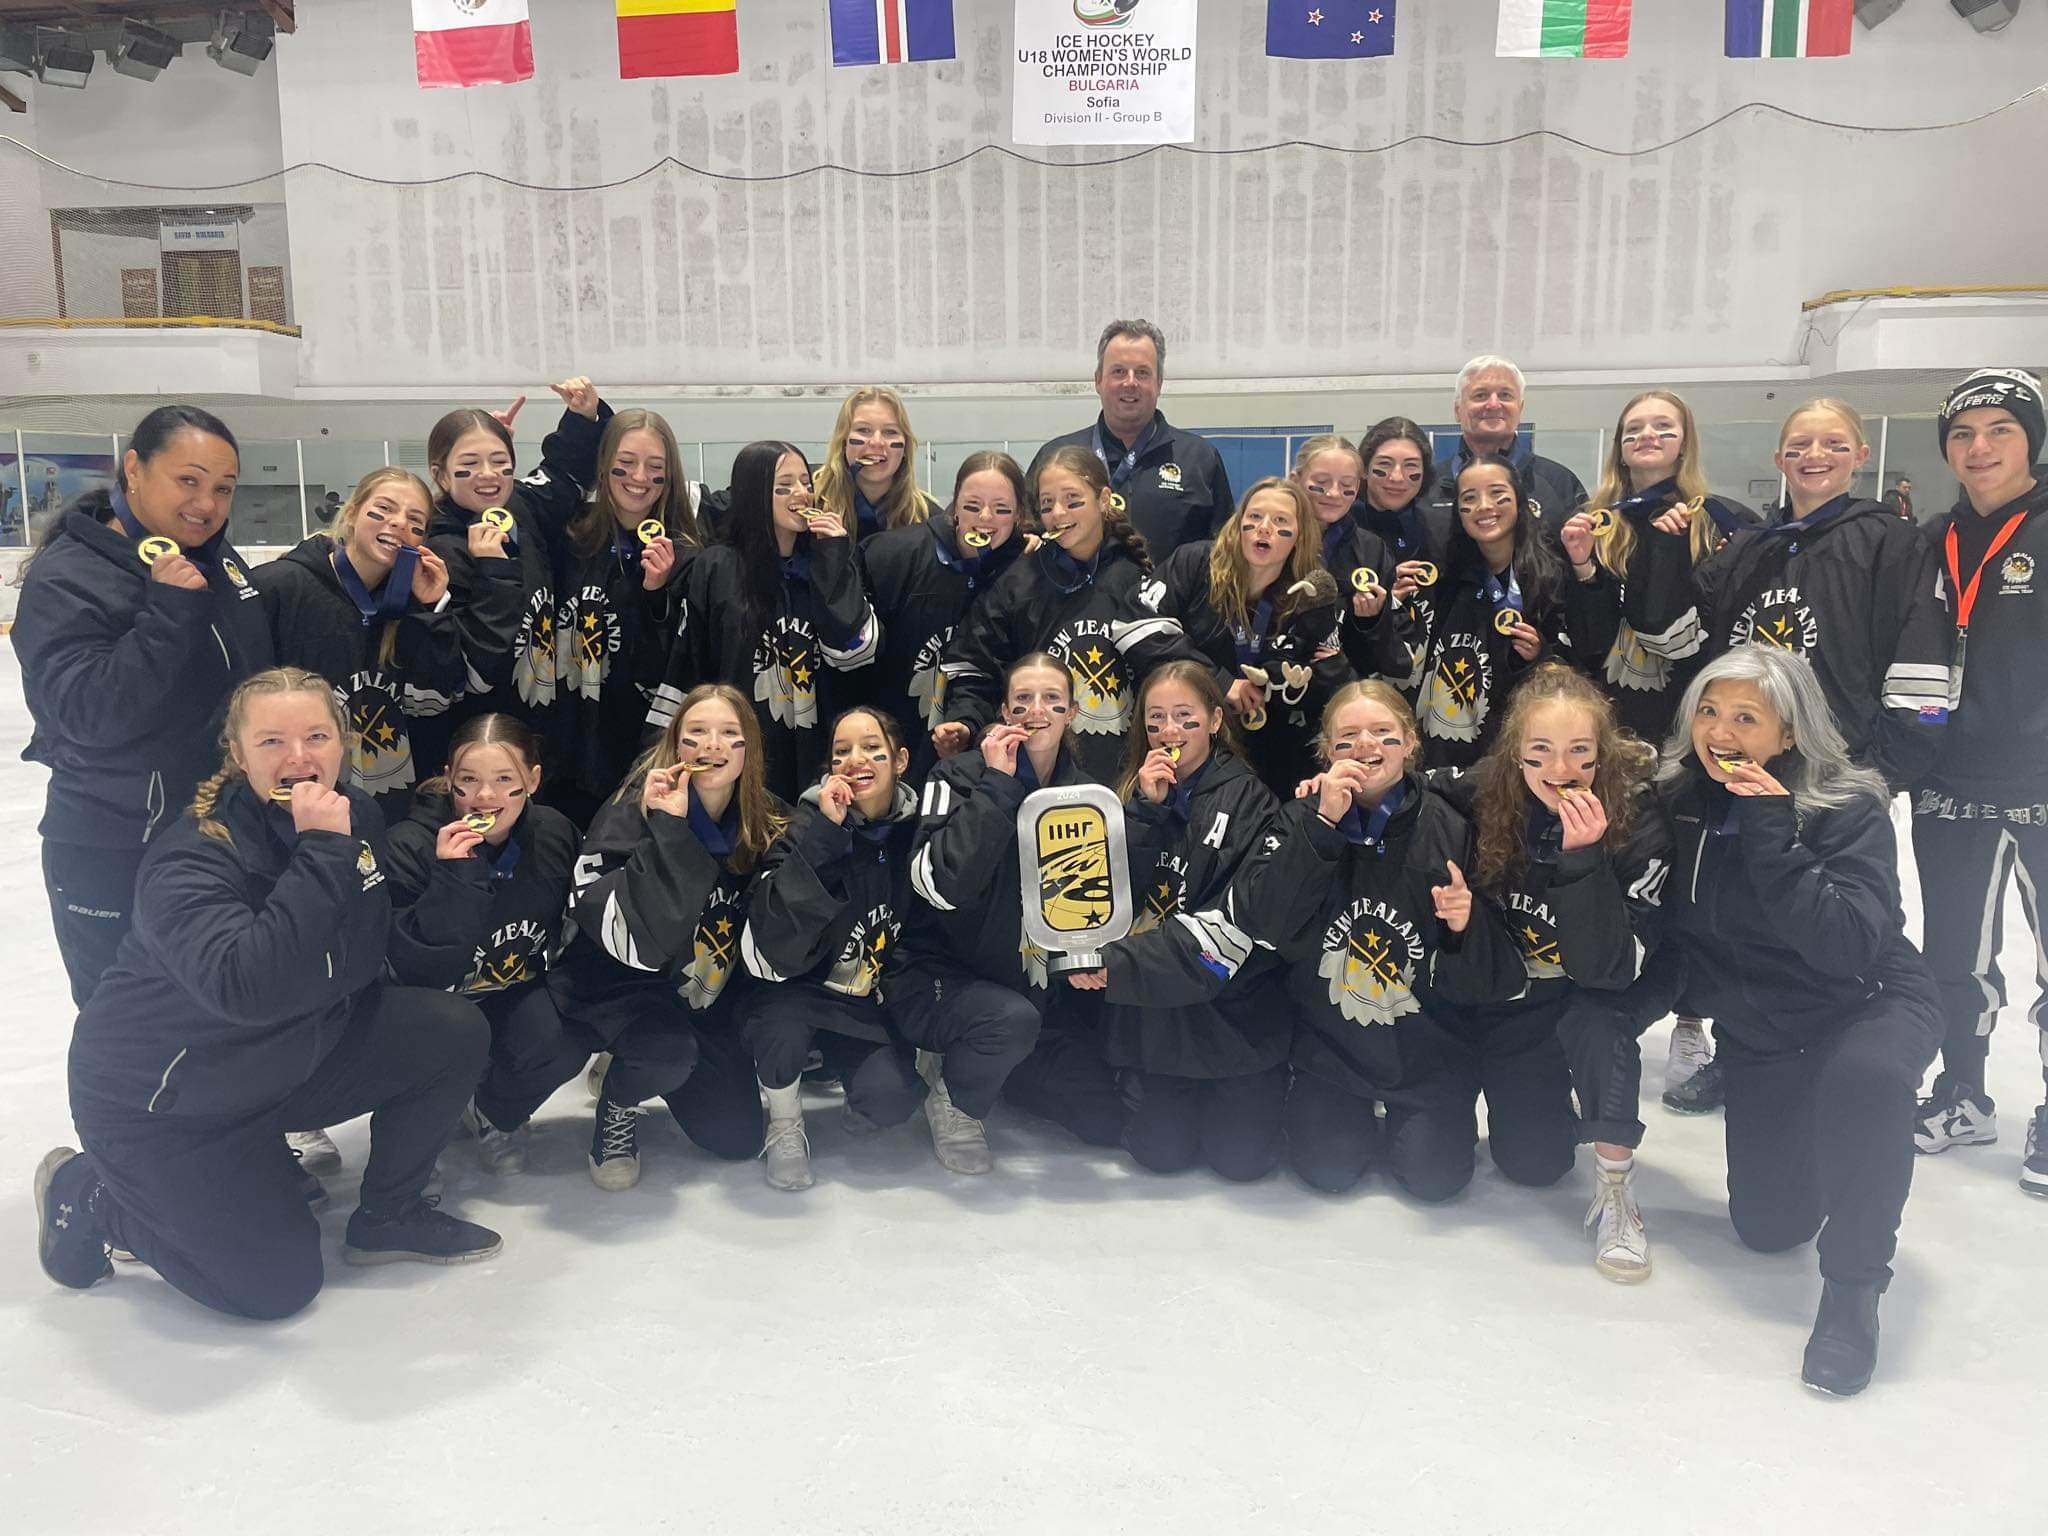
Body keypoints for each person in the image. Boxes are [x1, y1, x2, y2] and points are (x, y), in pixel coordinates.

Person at [36, 669, 501, 1321]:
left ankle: (390, 1216)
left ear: (342, 743)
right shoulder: (193, 858)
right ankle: (89, 1195)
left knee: (449, 1029)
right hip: (170, 1105)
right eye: (272, 742)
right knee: (272, 1286)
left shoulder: (354, 816)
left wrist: (455, 890)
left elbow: (374, 950)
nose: (299, 758)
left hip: (278, 1062)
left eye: (316, 736)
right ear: (238, 754)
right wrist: (320, 850)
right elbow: (248, 987)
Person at [1625, 646, 1940, 1394]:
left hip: (1867, 1004)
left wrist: (1771, 828)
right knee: (1768, 1231)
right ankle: (1831, 1144)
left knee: (1867, 1087)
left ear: (1789, 733)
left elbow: (1845, 945)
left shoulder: (1846, 805)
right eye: (1708, 710)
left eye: (1744, 716)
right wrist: (1614, 1017)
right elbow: (1682, 941)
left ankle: (1854, 1293)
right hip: (1766, 1034)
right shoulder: (1681, 800)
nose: (1719, 730)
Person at [14, 405, 275, 1007]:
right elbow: (87, 714)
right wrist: (169, 612)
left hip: (207, 829)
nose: (206, 504)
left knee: (206, 1008)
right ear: (134, 469)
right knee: (125, 1018)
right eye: (188, 480)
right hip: (114, 844)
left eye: (223, 488)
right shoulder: (70, 577)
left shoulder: (211, 558)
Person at [1231, 680, 1524, 1198]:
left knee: (1435, 1179)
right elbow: (1268, 925)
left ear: (1410, 743)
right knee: (1328, 1170)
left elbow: (1487, 975)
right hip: (1332, 1047)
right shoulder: (1300, 816)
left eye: (1383, 733)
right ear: (1326, 753)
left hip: (1425, 1048)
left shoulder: (1453, 826)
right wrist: (1321, 826)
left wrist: (1465, 922)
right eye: (1348, 737)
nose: (1366, 746)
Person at [1436, 665, 1670, 1280]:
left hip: (1579, 995)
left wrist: (1584, 860)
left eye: (1579, 752)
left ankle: (1619, 1188)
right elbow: (1416, 790)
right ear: (1515, 754)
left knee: (1540, 1161)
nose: (1559, 770)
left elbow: (1608, 972)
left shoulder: (1638, 818)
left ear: (1605, 754)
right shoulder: (1488, 787)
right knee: (1489, 1163)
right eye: (1539, 751)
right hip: (1500, 993)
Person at [745, 707, 1028, 1190]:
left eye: (872, 749)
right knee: (780, 1022)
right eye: (842, 751)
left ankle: (922, 1089)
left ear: (899, 760)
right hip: (803, 994)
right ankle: (784, 1120)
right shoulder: (808, 823)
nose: (857, 760)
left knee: (891, 1100)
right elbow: (770, 939)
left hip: (872, 1005)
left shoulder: (921, 828)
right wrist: (826, 839)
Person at [551, 685, 780, 1189]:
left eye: (728, 734)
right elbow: (636, 938)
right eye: (696, 733)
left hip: (699, 993)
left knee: (737, 1138)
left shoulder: (764, 821)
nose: (711, 746)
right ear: (676, 744)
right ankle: (621, 1095)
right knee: (663, 1051)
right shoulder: (631, 808)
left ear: (749, 749)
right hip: (625, 986)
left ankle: (643, 1062)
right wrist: (670, 829)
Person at [1908, 367, 2048, 1195]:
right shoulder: (1932, 537)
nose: (1979, 447)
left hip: (2041, 779)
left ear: (2030, 439)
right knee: (1955, 952)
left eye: (1999, 429)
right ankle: (1963, 1089)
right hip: (1950, 781)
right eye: (1963, 434)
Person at [1068, 663, 1288, 1180]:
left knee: (1241, 1161)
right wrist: (1144, 812)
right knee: (1159, 1154)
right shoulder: (1130, 800)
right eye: (1156, 719)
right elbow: (1112, 896)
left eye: (1185, 718)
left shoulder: (1252, 799)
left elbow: (1230, 927)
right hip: (1160, 1016)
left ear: (1215, 721)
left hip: (1233, 1013)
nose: (1169, 732)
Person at [912, 653, 1123, 1148]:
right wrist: (998, 786)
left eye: (1052, 699)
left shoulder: (1087, 794)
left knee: (1104, 1120)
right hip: (951, 971)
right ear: (1005, 712)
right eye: (1022, 700)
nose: (1036, 710)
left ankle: (1002, 1065)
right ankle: (954, 1091)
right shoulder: (953, 777)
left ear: (1073, 712)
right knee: (1009, 1021)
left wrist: (1084, 960)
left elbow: (1087, 902)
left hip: (1032, 984)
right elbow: (947, 885)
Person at [383, 714, 584, 1176]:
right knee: (434, 1042)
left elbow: (579, 923)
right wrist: (455, 880)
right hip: (432, 1007)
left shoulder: (554, 832)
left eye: (503, 779)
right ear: (449, 778)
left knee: (567, 1037)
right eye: (469, 780)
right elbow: (409, 965)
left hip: (511, 990)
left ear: (531, 780)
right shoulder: (409, 846)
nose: (485, 796)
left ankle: (491, 1111)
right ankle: (416, 1133)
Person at [936, 445, 1209, 784]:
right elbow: (976, 667)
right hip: (1040, 779)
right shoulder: (1019, 582)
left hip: (1131, 774)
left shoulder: (1139, 577)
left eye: (1073, 500)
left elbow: (1170, 671)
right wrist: (967, 722)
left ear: (1104, 499)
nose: (1058, 513)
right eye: (1047, 504)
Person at [644, 441, 879, 803]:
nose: (801, 494)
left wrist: (833, 560)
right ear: (754, 495)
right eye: (783, 487)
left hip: (816, 750)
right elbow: (690, 664)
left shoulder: (828, 559)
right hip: (739, 755)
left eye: (805, 482)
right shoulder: (718, 566)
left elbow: (852, 654)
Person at [256, 468, 465, 823]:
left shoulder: (406, 602)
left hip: (384, 804)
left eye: (415, 522)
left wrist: (433, 611)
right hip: (295, 795)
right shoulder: (280, 586)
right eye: (383, 510)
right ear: (351, 512)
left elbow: (436, 700)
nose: (399, 524)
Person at [420, 379, 611, 763]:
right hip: (481, 743)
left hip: (545, 723)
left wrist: (583, 415)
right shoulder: (437, 552)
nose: (488, 474)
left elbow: (562, 476)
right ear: (441, 475)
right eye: (469, 465)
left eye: (499, 461)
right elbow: (463, 665)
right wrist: (492, 572)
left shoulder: (519, 505)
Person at [1153, 477, 1350, 796]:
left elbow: (1331, 680)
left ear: (1299, 536)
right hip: (1188, 741)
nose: (1264, 527)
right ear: (1238, 523)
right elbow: (1137, 629)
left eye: (1281, 521)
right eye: (1255, 517)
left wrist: (1290, 685)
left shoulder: (1311, 594)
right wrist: (1220, 682)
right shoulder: (1196, 563)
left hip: (1272, 754)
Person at [553, 408, 701, 826]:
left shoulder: (686, 552)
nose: (639, 478)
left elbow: (676, 658)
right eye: (627, 463)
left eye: (655, 467)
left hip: (639, 740)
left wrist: (656, 595)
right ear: (603, 465)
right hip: (566, 732)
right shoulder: (569, 535)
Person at [859, 451, 1034, 785]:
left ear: (1020, 516)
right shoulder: (893, 556)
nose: (985, 518)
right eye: (971, 506)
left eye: (1002, 509)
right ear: (954, 507)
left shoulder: (1028, 570)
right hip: (902, 741)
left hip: (991, 751)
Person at [1389, 453, 1566, 770]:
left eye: (1498, 495)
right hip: (1450, 750)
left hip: (1522, 751)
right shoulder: (1446, 577)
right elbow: (1406, 655)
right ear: (1458, 511)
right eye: (1469, 498)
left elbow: (1578, 662)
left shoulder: (1551, 576)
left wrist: (1537, 656)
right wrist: (1397, 605)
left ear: (1520, 501)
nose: (1484, 506)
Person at [1029, 319, 1234, 554]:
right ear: (1098, 380)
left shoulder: (1199, 459)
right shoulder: (1055, 457)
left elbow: (1225, 554)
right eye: (1118, 371)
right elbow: (1028, 542)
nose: (1130, 382)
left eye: (1143, 373)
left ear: (1159, 383)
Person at [1427, 357, 1588, 535]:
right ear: (1458, 411)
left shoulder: (1559, 483)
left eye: (1505, 395)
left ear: (1520, 408)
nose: (1494, 404)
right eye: (1480, 395)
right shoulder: (1427, 486)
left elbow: (1585, 554)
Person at [1292, 434, 1396, 682]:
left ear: (1358, 488)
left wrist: (1372, 620)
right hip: (1272, 685)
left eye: (1347, 485)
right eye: (1321, 482)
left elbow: (1387, 652)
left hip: (1342, 683)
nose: (1334, 493)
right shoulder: (1273, 541)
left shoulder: (1372, 550)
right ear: (1295, 480)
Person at [810, 386, 938, 540]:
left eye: (890, 432)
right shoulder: (810, 501)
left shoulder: (928, 519)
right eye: (864, 430)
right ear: (843, 441)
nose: (877, 442)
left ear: (905, 447)